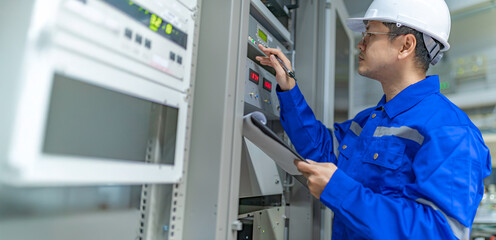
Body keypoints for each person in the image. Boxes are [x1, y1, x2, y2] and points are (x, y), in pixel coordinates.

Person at [255, 0, 492, 239]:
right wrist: (289, 88)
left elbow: (438, 232)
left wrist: (341, 191)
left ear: (405, 45)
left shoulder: (452, 131)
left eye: (370, 34)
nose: (360, 44)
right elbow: (324, 153)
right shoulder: (369, 120)